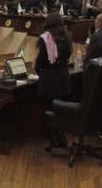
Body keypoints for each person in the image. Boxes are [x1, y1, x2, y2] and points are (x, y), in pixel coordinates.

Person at [34, 13, 72, 149]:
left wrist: (38, 71)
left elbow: (41, 61)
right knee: (61, 109)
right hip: (63, 77)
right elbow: (68, 55)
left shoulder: (45, 38)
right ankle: (61, 136)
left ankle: (54, 139)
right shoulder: (67, 37)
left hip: (49, 79)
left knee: (49, 109)